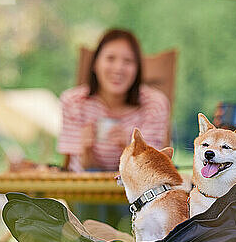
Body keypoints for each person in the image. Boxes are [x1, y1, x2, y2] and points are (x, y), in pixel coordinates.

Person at [57, 28, 170, 226]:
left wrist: (129, 150)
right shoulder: (74, 101)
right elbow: (76, 169)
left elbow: (152, 171)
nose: (118, 68)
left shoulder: (155, 103)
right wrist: (86, 151)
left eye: (128, 61)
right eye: (110, 58)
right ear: (95, 64)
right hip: (86, 193)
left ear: (137, 70)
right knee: (89, 179)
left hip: (134, 192)